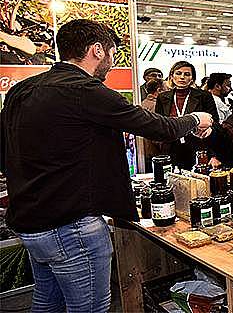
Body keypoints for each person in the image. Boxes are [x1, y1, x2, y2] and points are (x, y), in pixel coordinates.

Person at [0, 19, 213, 312]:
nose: (111, 63)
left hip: (30, 222)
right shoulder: (84, 89)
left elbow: (5, 152)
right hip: (70, 226)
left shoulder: (21, 90)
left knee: (47, 303)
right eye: (111, 54)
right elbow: (158, 127)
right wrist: (196, 119)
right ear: (97, 50)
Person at [156, 61, 220, 170]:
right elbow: (159, 124)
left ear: (192, 78)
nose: (182, 77)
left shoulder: (204, 96)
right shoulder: (163, 97)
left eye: (187, 74)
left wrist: (215, 154)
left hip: (199, 149)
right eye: (178, 73)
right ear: (172, 76)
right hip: (171, 149)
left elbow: (214, 124)